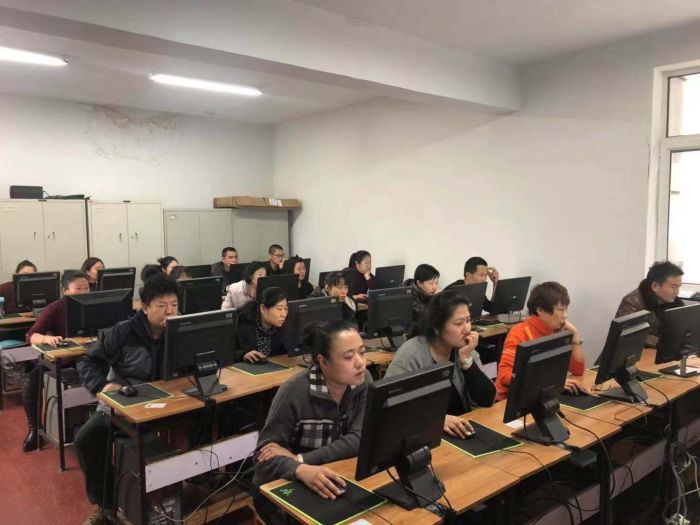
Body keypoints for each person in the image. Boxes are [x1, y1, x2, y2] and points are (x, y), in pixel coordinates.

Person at [74, 274, 179, 525]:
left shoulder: (180, 329)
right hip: (125, 400)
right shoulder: (123, 332)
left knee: (214, 412)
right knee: (87, 439)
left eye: (174, 305)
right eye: (162, 306)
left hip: (172, 400)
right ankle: (106, 505)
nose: (170, 311)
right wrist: (102, 386)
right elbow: (88, 361)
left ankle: (206, 479)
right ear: (145, 308)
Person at [253, 319, 370, 523]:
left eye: (362, 352)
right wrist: (299, 470)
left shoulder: (363, 381)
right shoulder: (294, 391)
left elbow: (359, 439)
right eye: (349, 357)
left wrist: (300, 460)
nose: (360, 363)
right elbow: (263, 460)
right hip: (286, 487)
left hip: (335, 477)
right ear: (323, 362)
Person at [385, 290, 496, 438]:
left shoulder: (465, 349)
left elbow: (488, 399)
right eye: (458, 323)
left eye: (468, 320)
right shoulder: (411, 356)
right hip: (423, 435)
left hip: (461, 430)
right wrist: (437, 420)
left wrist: (467, 361)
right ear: (437, 328)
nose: (467, 329)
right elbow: (393, 409)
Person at [22, 271, 91, 452]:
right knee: (31, 382)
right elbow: (31, 335)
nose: (84, 292)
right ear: (65, 291)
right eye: (78, 288)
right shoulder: (55, 308)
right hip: (63, 359)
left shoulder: (95, 304)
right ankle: (35, 429)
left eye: (87, 288)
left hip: (91, 357)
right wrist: (47, 339)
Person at [496, 282, 586, 401]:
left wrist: (575, 334)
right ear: (540, 310)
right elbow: (505, 376)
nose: (565, 315)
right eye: (561, 310)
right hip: (511, 400)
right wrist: (551, 384)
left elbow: (578, 370)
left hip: (543, 395)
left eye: (566, 309)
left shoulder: (557, 331)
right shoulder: (520, 332)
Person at [615, 261, 685, 348]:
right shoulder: (632, 302)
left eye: (679, 287)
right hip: (633, 353)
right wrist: (662, 342)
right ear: (655, 286)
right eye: (673, 287)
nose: (677, 292)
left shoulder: (674, 303)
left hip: (657, 351)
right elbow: (627, 336)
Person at [234, 287, 289, 363]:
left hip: (271, 367)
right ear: (263, 309)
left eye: (286, 309)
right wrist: (243, 355)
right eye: (279, 309)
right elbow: (226, 352)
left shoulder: (282, 326)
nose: (283, 314)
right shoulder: (242, 322)